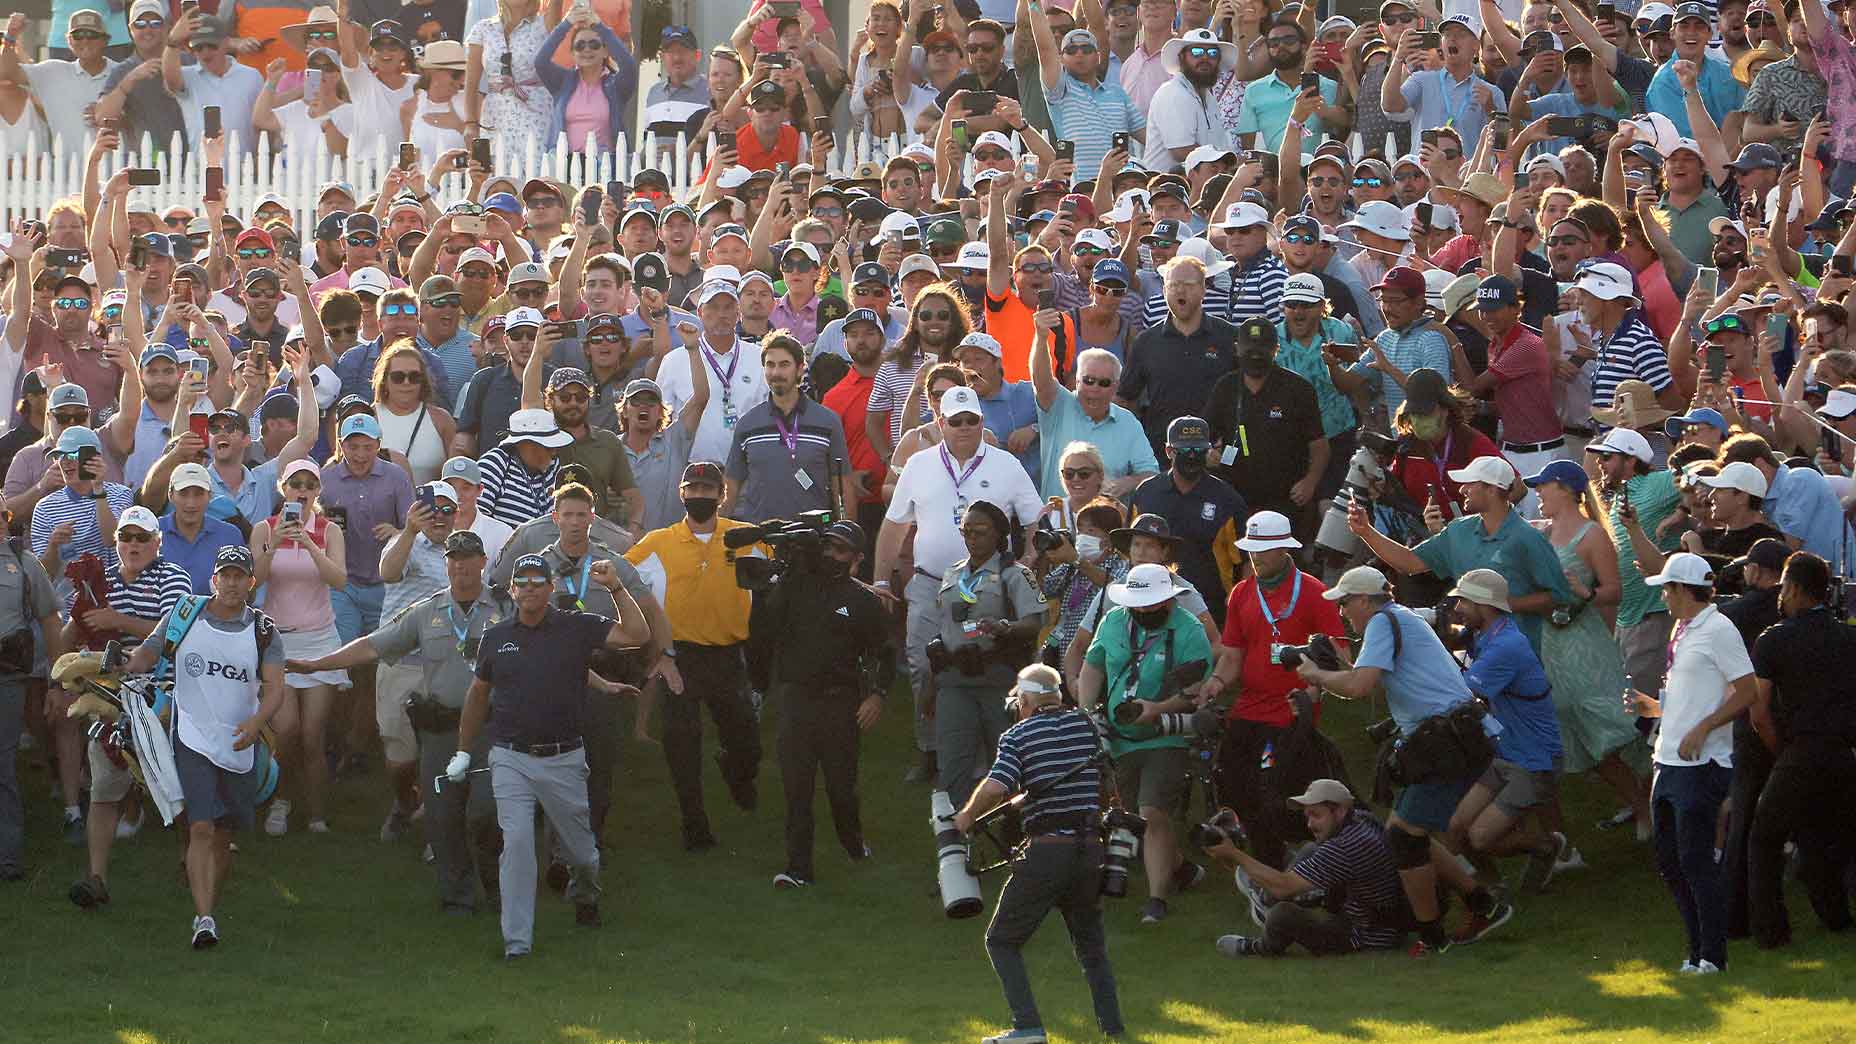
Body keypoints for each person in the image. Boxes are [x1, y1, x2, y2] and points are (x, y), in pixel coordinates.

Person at [1293, 566, 1513, 955]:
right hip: (1457, 736)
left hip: (1447, 741)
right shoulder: (1399, 617)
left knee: (1403, 837)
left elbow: (1359, 687)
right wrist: (1332, 670)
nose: (1342, 612)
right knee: (1407, 831)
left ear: (1364, 600)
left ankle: (1433, 936)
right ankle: (1482, 903)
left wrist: (1315, 674)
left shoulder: (1382, 622)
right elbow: (1366, 680)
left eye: (1345, 603)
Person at [289, 530, 510, 915]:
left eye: (468, 558)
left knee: (486, 812)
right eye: (453, 559)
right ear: (446, 565)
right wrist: (317, 664)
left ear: (482, 563)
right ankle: (456, 897)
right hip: (441, 730)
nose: (460, 566)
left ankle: (496, 886)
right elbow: (374, 644)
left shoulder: (506, 608)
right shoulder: (427, 611)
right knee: (441, 818)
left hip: (491, 731)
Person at [450, 550, 650, 959]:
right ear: (512, 590)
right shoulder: (496, 637)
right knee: (518, 843)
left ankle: (586, 893)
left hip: (563, 757)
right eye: (521, 583)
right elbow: (477, 696)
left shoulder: (575, 628)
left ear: (550, 587)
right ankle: (517, 942)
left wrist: (614, 586)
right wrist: (464, 752)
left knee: (582, 853)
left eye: (536, 583)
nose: (528, 590)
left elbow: (636, 636)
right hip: (510, 756)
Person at [875, 386, 1043, 787]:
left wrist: (1024, 566)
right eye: (956, 421)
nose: (965, 427)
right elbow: (895, 525)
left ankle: (992, 758)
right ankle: (930, 751)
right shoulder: (918, 464)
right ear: (940, 423)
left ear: (982, 422)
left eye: (973, 420)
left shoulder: (1005, 465)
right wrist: (881, 578)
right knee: (922, 664)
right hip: (930, 583)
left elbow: (1036, 521)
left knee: (986, 667)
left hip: (989, 587)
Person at [953, 663, 1125, 1044]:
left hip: (1048, 852)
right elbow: (1108, 783)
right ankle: (1113, 1030)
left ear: (1026, 699)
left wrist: (966, 816)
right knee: (1091, 949)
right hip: (1090, 852)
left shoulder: (1018, 734)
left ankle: (1027, 1027)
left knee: (1001, 941)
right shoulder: (1088, 726)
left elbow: (998, 784)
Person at [122, 545, 285, 948]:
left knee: (223, 834)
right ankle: (205, 918)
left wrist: (258, 721)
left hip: (239, 741)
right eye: (224, 575)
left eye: (239, 576)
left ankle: (208, 900)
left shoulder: (264, 630)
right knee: (199, 825)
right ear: (214, 579)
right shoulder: (184, 614)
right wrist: (123, 665)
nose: (231, 583)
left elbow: (276, 688)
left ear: (251, 582)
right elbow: (147, 653)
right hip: (191, 735)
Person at [623, 462, 763, 851]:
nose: (700, 495)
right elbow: (622, 580)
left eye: (708, 489)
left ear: (722, 495)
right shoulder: (658, 541)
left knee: (747, 742)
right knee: (682, 745)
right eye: (693, 488)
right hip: (680, 657)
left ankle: (737, 773)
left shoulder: (747, 538)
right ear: (682, 494)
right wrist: (654, 649)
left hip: (729, 656)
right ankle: (694, 825)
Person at [1203, 510, 1348, 869]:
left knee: (1274, 788)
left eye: (1264, 549)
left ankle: (1300, 859)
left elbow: (1339, 656)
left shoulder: (1315, 592)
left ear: (1285, 549)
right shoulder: (1241, 592)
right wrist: (1216, 682)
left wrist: (1315, 689)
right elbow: (1233, 654)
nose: (1256, 556)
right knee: (1233, 783)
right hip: (1249, 707)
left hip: (1291, 711)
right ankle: (1271, 861)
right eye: (1251, 549)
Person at [1635, 551, 1757, 975]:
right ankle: (1695, 951)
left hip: (1702, 764)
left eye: (1667, 589)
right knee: (1671, 863)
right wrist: (1652, 707)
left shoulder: (1719, 628)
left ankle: (1713, 956)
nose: (1664, 596)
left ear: (1685, 590)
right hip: (1667, 761)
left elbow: (1746, 691)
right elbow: (1685, 696)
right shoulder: (1682, 628)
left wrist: (1705, 727)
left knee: (1696, 861)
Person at [754, 519, 892, 887]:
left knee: (840, 788)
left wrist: (877, 695)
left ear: (857, 558)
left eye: (840, 549)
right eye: (827, 546)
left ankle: (852, 841)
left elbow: (886, 653)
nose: (831, 554)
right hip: (796, 701)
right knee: (796, 788)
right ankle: (798, 868)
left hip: (840, 704)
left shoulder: (863, 602)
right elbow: (764, 627)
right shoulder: (794, 588)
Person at [1079, 561, 1213, 925]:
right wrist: (1086, 710)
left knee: (1152, 812)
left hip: (1165, 736)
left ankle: (1156, 900)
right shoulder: (1112, 622)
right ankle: (1181, 870)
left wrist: (1158, 709)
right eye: (1139, 605)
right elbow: (1093, 666)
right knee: (1136, 820)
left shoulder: (1189, 631)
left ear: (1168, 601)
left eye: (1152, 605)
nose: (1144, 612)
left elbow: (1198, 690)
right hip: (1119, 738)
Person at [1744, 550, 1856, 948]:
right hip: (1843, 754)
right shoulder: (1848, 637)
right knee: (1822, 838)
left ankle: (1771, 932)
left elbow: (1759, 712)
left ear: (1792, 588)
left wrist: (1781, 754)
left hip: (1800, 752)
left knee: (1764, 838)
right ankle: (1837, 918)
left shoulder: (1774, 640)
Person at [1351, 455, 1572, 655]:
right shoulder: (1458, 531)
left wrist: (1505, 604)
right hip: (1474, 648)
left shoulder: (1528, 538)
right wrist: (1366, 531)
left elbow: (1559, 597)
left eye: (1470, 483)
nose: (1462, 489)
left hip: (1522, 653)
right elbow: (1409, 563)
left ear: (1492, 490)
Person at [1446, 570, 1568, 903]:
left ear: (1484, 605)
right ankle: (1491, 886)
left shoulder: (1506, 647)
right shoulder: (1487, 633)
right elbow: (1458, 640)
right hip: (1507, 753)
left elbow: (1460, 692)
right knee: (1455, 827)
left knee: (1480, 837)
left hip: (1534, 760)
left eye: (1463, 601)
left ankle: (1547, 845)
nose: (1457, 607)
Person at [249, 459, 349, 837]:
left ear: (317, 491)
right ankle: (281, 800)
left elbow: (339, 580)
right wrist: (273, 545)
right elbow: (252, 581)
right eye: (295, 484)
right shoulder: (264, 528)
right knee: (286, 729)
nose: (302, 490)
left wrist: (309, 543)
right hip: (278, 642)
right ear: (283, 489)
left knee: (313, 734)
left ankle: (317, 814)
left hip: (320, 640)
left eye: (309, 484)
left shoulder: (329, 530)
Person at [1209, 779, 1410, 959]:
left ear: (1339, 811)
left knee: (1283, 915)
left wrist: (1234, 854)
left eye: (1316, 815)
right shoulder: (1363, 819)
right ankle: (1266, 896)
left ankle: (1257, 945)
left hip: (1368, 936)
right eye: (1308, 816)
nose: (1310, 824)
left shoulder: (1344, 847)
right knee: (1310, 848)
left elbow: (1283, 886)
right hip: (1377, 914)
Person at [723, 333, 852, 523]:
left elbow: (841, 486)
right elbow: (730, 489)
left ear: (800, 369)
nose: (776, 373)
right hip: (759, 538)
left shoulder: (827, 421)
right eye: (770, 365)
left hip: (811, 537)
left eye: (784, 365)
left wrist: (845, 538)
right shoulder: (747, 425)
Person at [1128, 416, 1244, 625]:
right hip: (1150, 605)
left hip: (1212, 610)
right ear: (1168, 451)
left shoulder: (1227, 499)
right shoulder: (1146, 493)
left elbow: (1244, 562)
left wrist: (1238, 607)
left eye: (1198, 450)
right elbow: (1129, 552)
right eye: (1184, 450)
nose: (1191, 456)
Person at [0, 516, 64, 883]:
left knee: (3, 764)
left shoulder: (25, 563)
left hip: (7, 677)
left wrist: (57, 682)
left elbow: (51, 621)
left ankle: (8, 856)